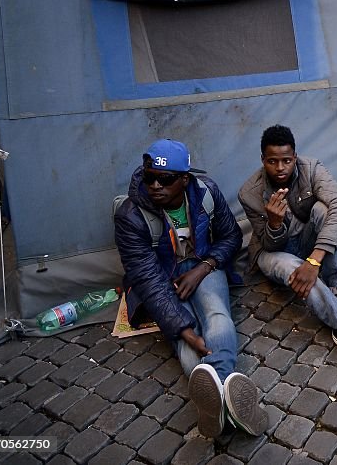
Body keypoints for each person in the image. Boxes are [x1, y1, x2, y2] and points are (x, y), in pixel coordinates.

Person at [114, 139, 267, 438]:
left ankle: (217, 403)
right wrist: (185, 333)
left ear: (185, 179)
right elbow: (147, 279)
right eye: (149, 176)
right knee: (188, 335)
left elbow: (230, 238)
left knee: (217, 314)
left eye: (165, 178)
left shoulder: (206, 192)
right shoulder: (130, 215)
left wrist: (204, 267)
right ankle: (228, 403)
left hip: (203, 265)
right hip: (161, 279)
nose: (155, 185)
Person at [238, 125, 337, 374]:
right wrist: (274, 224)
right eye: (272, 161)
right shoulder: (249, 193)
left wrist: (315, 261)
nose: (280, 168)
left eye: (286, 160)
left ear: (295, 158)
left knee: (325, 211)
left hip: (309, 243)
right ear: (263, 160)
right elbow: (269, 244)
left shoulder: (312, 168)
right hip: (274, 252)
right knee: (289, 265)